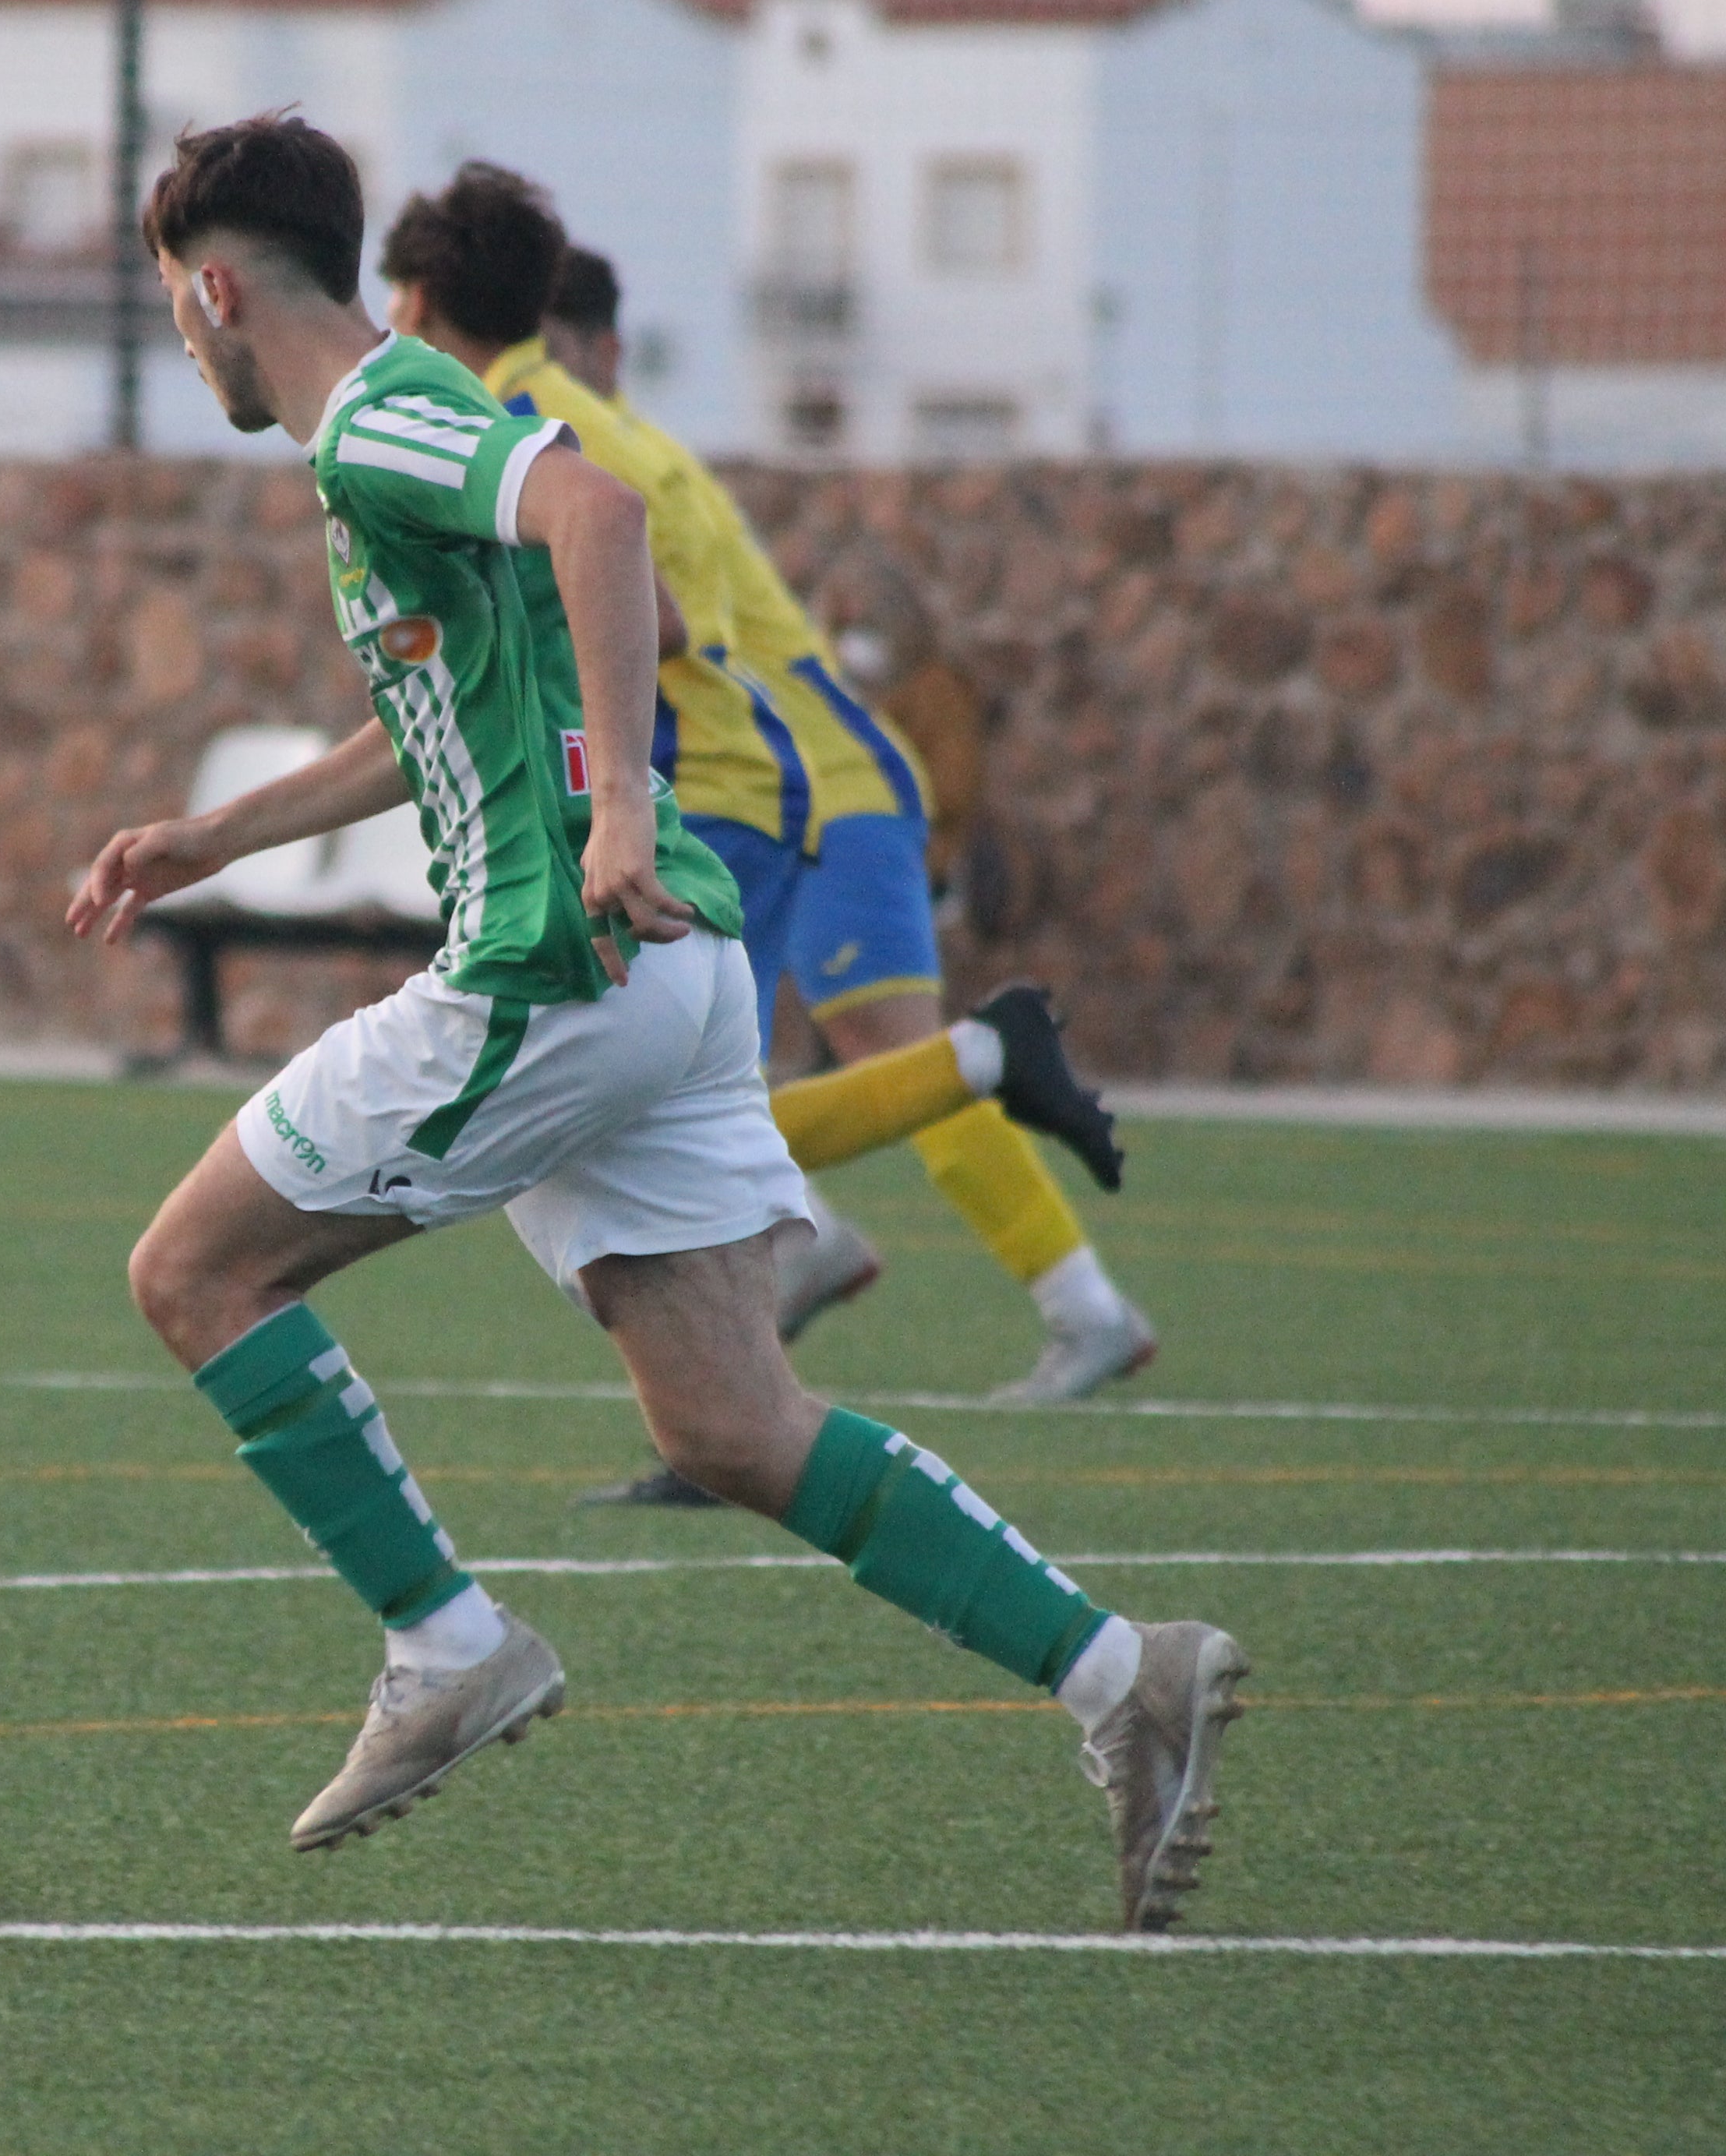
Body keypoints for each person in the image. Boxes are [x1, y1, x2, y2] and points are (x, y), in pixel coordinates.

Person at [69, 111, 1247, 1932]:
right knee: (729, 1421)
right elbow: (442, 709)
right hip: (668, 968)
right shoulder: (379, 440)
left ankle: (446, 1641)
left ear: (215, 286)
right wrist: (212, 835)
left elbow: (598, 510)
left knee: (194, 1273)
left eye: (171, 303)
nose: (180, 334)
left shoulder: (383, 412)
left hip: (559, 959)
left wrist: (619, 797)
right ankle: (1124, 1677)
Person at [382, 176, 1156, 1467]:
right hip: (789, 771)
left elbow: (666, 626)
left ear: (415, 305)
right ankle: (834, 1300)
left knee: (668, 1088)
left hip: (776, 778)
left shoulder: (532, 429)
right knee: (708, 1079)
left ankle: (919, 1256)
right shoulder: (581, 425)